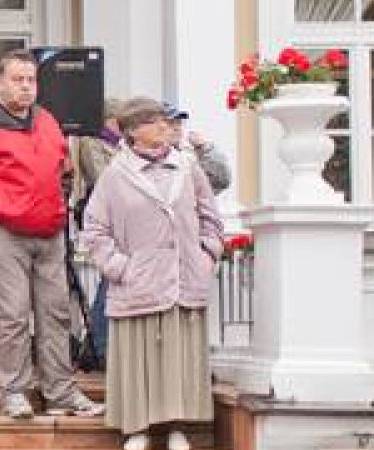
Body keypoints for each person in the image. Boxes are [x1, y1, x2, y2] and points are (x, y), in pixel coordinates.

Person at [0, 49, 103, 418]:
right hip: (4, 231)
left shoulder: (47, 120)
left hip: (50, 232)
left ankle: (60, 394)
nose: (26, 87)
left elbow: (64, 170)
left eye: (31, 80)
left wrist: (60, 200)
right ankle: (14, 392)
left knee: (56, 315)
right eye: (17, 79)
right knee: (13, 316)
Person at [80, 98, 222, 450]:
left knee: (179, 359)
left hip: (183, 278)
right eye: (154, 121)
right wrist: (121, 268)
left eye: (165, 121)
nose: (164, 126)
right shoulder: (116, 174)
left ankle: (177, 428)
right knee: (137, 360)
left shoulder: (187, 166)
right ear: (133, 130)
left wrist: (207, 254)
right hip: (138, 283)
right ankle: (137, 429)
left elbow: (211, 217)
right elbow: (95, 230)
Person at [66, 98, 122, 373]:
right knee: (109, 282)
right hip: (106, 220)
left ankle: (99, 344)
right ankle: (99, 346)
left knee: (111, 283)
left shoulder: (121, 147)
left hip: (122, 220)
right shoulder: (92, 143)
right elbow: (102, 179)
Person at [164, 104, 232, 194]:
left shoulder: (188, 155)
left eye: (179, 123)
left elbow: (220, 181)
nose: (177, 128)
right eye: (171, 124)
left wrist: (204, 149)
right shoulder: (152, 158)